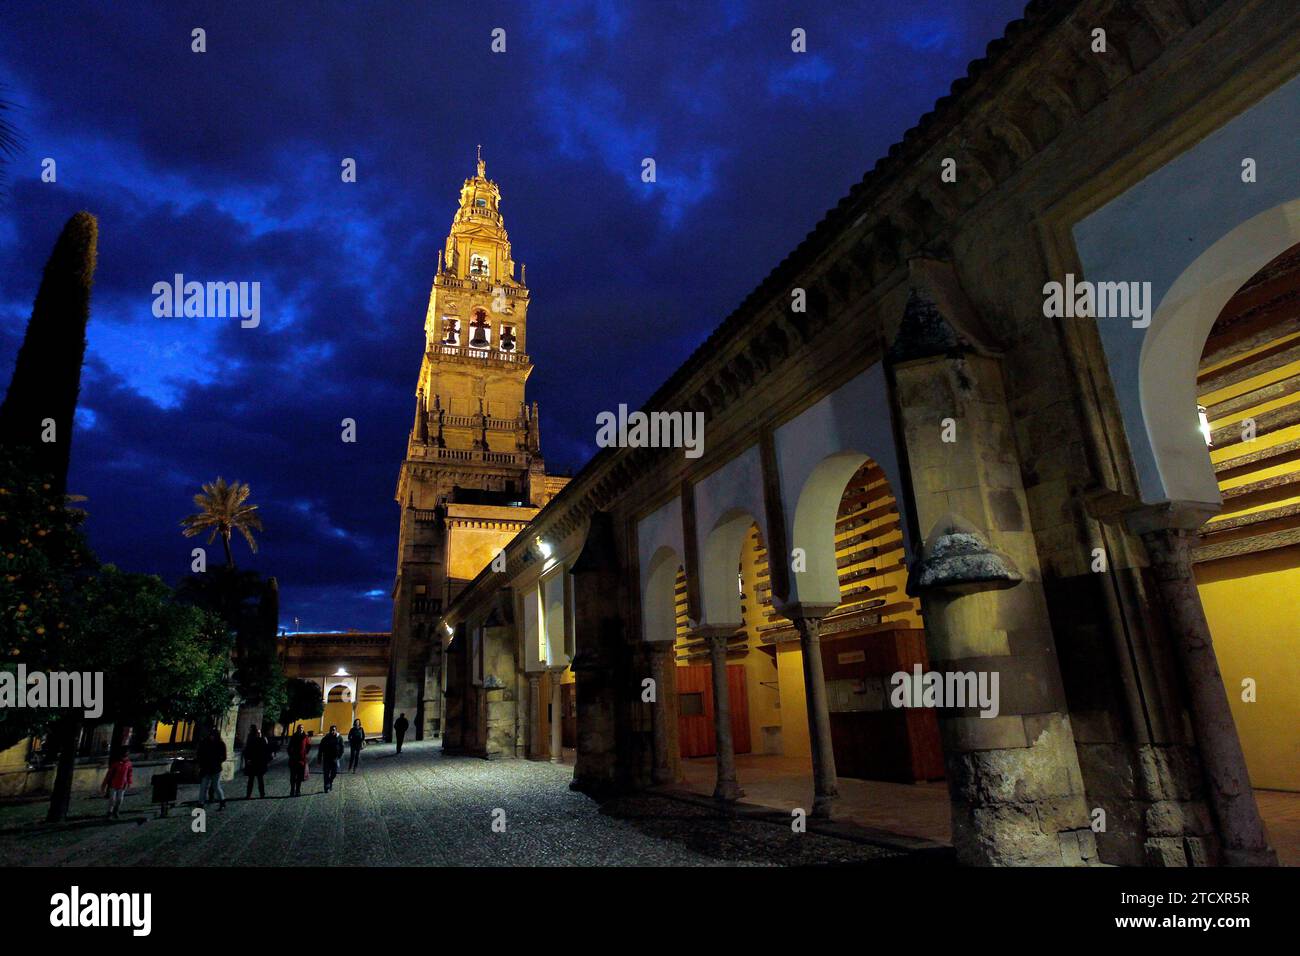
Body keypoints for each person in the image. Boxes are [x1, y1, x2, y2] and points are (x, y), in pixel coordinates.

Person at [196, 730, 227, 810]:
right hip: (206, 768)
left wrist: (217, 761)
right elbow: (199, 754)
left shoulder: (220, 744)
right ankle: (201, 804)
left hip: (215, 769)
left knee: (216, 786)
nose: (211, 737)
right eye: (211, 735)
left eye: (213, 735)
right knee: (203, 787)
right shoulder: (205, 744)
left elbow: (224, 757)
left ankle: (222, 801)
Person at [101, 744, 133, 819]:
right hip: (113, 784)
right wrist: (104, 784)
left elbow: (129, 774)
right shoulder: (116, 764)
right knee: (112, 799)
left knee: (119, 799)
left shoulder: (128, 764)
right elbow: (109, 774)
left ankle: (116, 810)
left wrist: (129, 782)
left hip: (122, 785)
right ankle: (109, 812)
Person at [243, 725, 270, 799]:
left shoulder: (259, 740)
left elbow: (265, 751)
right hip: (254, 762)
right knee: (252, 780)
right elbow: (248, 750)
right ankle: (251, 795)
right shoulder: (254, 739)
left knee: (258, 780)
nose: (258, 734)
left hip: (258, 763)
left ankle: (261, 794)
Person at [319, 725, 345, 792]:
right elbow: (321, 748)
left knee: (334, 773)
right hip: (326, 758)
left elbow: (342, 747)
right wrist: (319, 758)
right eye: (331, 730)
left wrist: (339, 756)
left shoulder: (339, 738)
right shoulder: (325, 738)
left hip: (335, 759)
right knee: (326, 773)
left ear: (336, 730)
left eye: (334, 730)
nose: (332, 731)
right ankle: (326, 786)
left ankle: (330, 782)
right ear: (329, 730)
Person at [287, 726, 310, 797]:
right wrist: (291, 755)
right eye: (299, 728)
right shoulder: (294, 736)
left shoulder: (305, 737)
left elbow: (309, 746)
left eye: (302, 728)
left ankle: (298, 790)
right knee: (293, 776)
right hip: (293, 760)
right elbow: (289, 747)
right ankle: (292, 790)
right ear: (297, 729)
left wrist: (305, 753)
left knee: (300, 777)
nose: (301, 729)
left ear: (303, 729)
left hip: (302, 761)